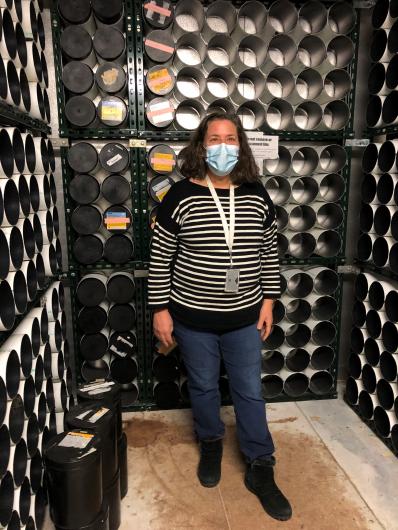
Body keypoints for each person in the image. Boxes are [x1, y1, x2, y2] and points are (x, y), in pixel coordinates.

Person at [147, 112, 292, 522]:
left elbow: (268, 251)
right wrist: (160, 310)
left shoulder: (256, 194)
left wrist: (268, 301)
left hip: (245, 317)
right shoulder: (178, 197)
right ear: (201, 146)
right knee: (204, 387)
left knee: (249, 390)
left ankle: (260, 466)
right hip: (192, 319)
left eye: (231, 138)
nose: (223, 146)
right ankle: (210, 443)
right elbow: (161, 259)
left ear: (241, 146)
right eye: (215, 139)